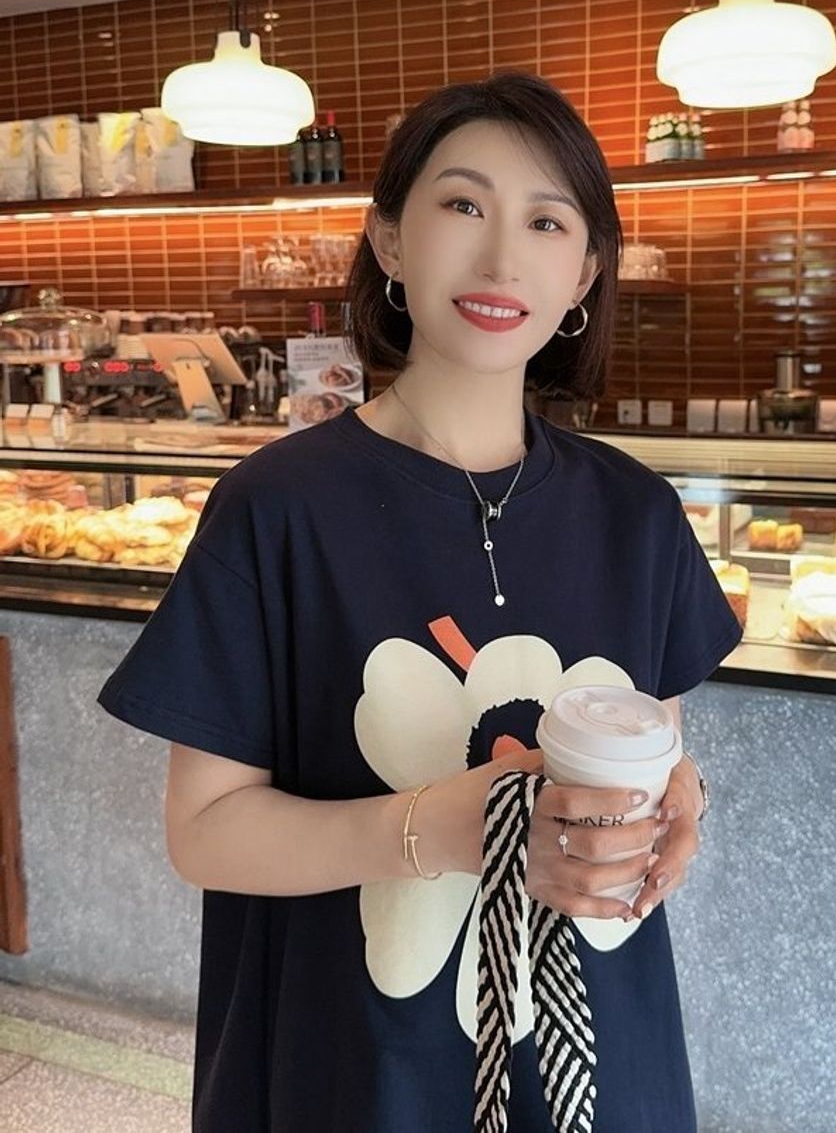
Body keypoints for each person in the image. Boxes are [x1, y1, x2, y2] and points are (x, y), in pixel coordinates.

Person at [97, 71, 742, 1131]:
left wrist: (683, 800)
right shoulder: (277, 508)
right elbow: (204, 833)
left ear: (585, 273)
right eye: (462, 204)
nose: (501, 259)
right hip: (352, 1060)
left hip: (591, 1049)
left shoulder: (635, 513)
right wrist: (440, 829)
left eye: (547, 221)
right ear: (390, 239)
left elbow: (654, 744)